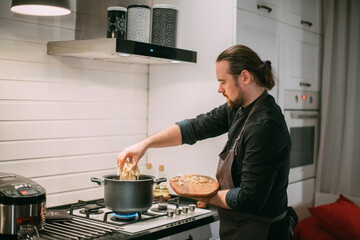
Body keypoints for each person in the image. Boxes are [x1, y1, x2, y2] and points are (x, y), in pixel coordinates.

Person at [117, 45, 293, 240]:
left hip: (263, 233)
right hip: (239, 229)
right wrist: (145, 144)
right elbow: (194, 128)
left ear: (245, 77)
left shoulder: (265, 126)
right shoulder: (239, 108)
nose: (219, 89)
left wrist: (203, 194)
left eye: (223, 82)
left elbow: (249, 199)